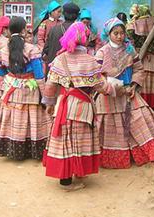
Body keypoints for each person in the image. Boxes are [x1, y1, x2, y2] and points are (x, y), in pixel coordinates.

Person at [42, 22, 117, 191]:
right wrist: (115, 89)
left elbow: (50, 85)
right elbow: (101, 87)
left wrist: (49, 104)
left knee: (64, 141)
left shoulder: (60, 59)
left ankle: (65, 180)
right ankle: (77, 173)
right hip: (83, 107)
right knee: (79, 141)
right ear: (85, 38)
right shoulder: (90, 61)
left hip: (64, 105)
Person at [95, 17, 154, 168]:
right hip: (109, 97)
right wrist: (111, 87)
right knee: (111, 127)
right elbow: (97, 76)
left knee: (139, 120)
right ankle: (115, 157)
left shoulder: (130, 51)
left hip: (130, 93)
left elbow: (138, 69)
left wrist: (134, 85)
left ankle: (146, 151)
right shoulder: (102, 53)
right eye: (115, 33)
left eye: (122, 33)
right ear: (108, 34)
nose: (119, 36)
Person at [0, 17, 51, 160]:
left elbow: (1, 72)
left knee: (14, 119)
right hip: (30, 90)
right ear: (22, 30)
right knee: (32, 119)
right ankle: (33, 150)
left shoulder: (3, 50)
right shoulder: (32, 49)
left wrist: (1, 86)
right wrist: (45, 94)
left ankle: (13, 149)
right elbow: (39, 75)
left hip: (12, 89)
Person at [126, 4, 154, 112]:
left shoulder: (134, 25)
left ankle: (143, 109)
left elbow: (128, 36)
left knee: (143, 84)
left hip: (142, 59)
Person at [42, 2, 80, 73]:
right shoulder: (81, 31)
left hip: (55, 71)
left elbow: (46, 50)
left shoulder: (54, 30)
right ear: (77, 16)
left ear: (63, 13)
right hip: (75, 73)